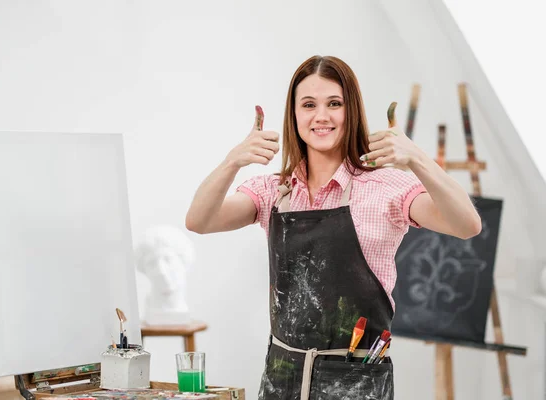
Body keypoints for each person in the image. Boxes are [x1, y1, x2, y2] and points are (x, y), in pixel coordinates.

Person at [185, 55, 481, 400]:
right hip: (282, 380)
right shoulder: (274, 191)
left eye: (334, 103)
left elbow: (467, 225)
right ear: (293, 115)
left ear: (351, 111)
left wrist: (417, 158)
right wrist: (233, 160)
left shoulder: (386, 187)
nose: (321, 116)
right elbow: (199, 221)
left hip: (358, 383)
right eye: (308, 104)